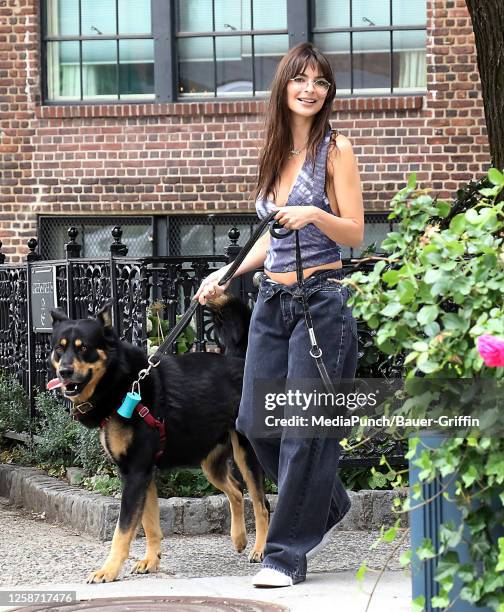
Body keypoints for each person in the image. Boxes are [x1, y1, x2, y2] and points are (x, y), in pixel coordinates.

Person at [195, 42, 364, 587]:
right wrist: (227, 275)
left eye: (320, 81)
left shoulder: (336, 149)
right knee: (253, 422)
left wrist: (316, 211)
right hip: (271, 302)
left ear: (328, 92)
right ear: (285, 86)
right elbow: (271, 236)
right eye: (301, 79)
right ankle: (326, 503)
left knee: (300, 430)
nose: (311, 89)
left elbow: (355, 233)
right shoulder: (272, 151)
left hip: (320, 303)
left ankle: (285, 556)